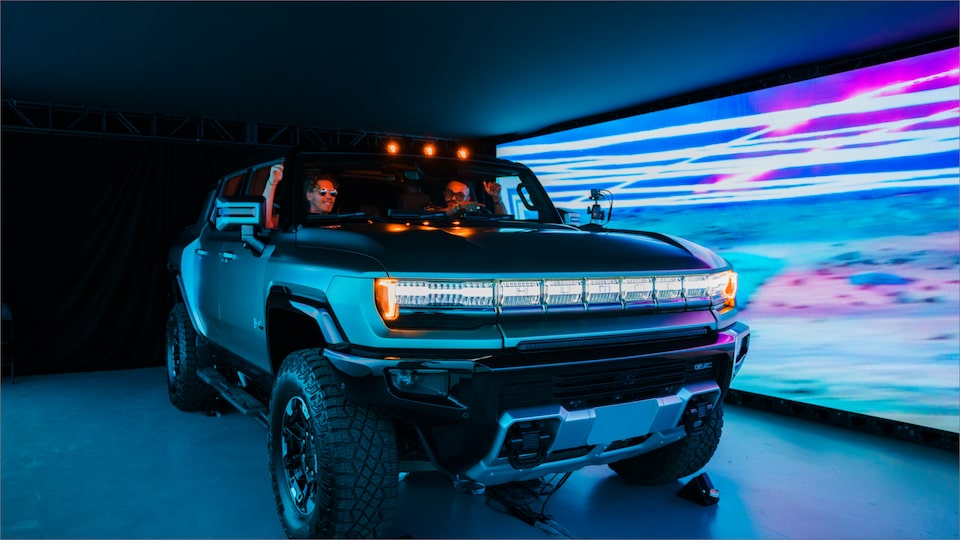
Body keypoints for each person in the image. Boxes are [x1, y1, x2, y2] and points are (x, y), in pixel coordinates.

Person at [439, 179, 506, 216]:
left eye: (459, 196)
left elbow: (502, 223)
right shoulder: (436, 211)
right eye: (449, 194)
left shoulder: (474, 216)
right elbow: (435, 214)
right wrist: (459, 207)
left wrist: (497, 199)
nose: (453, 198)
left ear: (468, 199)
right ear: (444, 194)